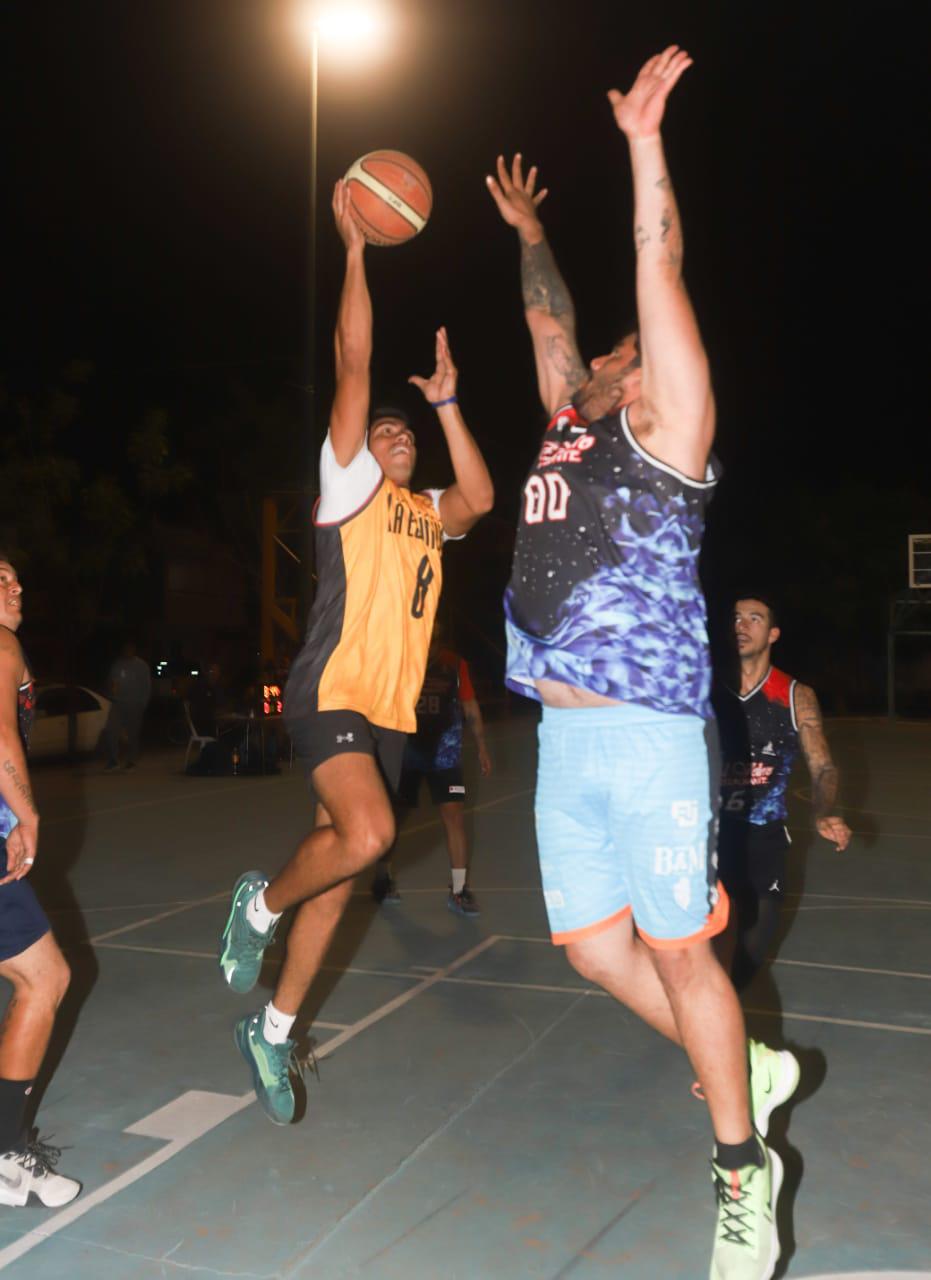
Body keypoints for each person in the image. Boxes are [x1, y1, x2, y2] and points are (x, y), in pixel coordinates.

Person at [487, 48, 796, 1280]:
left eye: (624, 350)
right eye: (604, 354)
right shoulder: (570, 416)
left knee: (680, 950)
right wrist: (526, 229)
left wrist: (640, 143)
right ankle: (747, 1062)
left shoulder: (671, 428)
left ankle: (739, 1168)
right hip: (565, 737)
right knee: (591, 947)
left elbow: (652, 264)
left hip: (654, 726)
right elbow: (546, 316)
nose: (602, 354)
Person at [218, 182, 494, 1125]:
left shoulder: (426, 512)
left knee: (340, 875)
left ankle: (277, 1033)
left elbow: (482, 501)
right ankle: (257, 906)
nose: (395, 437)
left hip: (388, 712)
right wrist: (356, 253)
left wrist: (449, 406)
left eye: (404, 433)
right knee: (371, 838)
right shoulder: (350, 490)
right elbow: (354, 359)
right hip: (329, 686)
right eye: (385, 430)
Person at [713, 596, 851, 988]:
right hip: (707, 836)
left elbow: (823, 765)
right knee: (704, 951)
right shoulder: (705, 690)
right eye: (735, 618)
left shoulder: (795, 695)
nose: (741, 626)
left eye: (754, 619)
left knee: (752, 951)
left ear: (773, 633)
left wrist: (824, 810)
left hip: (764, 838)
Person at [0, 555, 80, 1208]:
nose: (15, 585)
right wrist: (25, 812)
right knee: (44, 977)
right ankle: (5, 1156)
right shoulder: (1, 641)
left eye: (16, 576)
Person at [372, 623, 492, 915]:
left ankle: (460, 890)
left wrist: (482, 746)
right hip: (406, 753)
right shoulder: (398, 661)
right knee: (394, 820)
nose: (429, 641)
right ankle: (383, 878)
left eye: (434, 636)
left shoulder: (454, 665)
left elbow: (470, 706)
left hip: (444, 756)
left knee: (454, 817)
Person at [104, 640, 152, 771]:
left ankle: (131, 760)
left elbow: (146, 685)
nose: (127, 651)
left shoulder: (141, 665)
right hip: (118, 703)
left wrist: (143, 703)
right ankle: (113, 760)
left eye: (130, 648)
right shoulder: (117, 664)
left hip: (135, 704)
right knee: (111, 730)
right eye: (125, 649)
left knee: (133, 733)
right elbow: (112, 682)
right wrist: (112, 692)